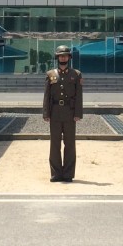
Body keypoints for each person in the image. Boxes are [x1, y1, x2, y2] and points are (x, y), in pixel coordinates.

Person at [43, 45, 83, 182]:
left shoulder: (76, 74)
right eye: (61, 55)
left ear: (69, 57)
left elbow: (79, 96)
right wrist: (46, 113)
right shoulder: (50, 74)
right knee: (55, 144)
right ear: (57, 57)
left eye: (65, 55)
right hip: (54, 113)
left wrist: (78, 113)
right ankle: (55, 173)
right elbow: (47, 96)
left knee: (70, 144)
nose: (63, 57)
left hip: (70, 113)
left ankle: (68, 174)